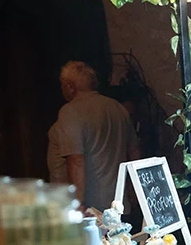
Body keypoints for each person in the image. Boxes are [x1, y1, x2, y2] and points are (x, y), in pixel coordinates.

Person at [55, 61, 139, 211]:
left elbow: (76, 160)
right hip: (120, 203)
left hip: (93, 208)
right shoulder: (118, 108)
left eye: (62, 85)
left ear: (70, 87)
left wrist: (77, 203)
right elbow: (134, 152)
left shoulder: (70, 111)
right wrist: (134, 193)